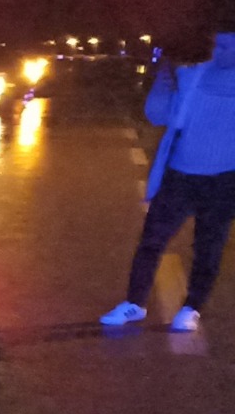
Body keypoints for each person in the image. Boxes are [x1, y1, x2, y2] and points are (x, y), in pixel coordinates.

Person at [100, 25, 235, 332]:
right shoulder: (192, 75)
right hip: (180, 175)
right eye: (219, 45)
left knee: (208, 248)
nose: (221, 52)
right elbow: (157, 115)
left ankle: (192, 307)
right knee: (151, 242)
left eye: (229, 47)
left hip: (224, 182)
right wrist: (163, 82)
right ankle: (134, 303)